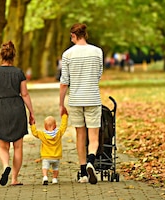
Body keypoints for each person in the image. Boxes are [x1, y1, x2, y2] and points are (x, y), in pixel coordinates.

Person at [59, 23, 103, 184]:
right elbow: (99, 74)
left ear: (74, 35)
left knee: (80, 135)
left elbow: (64, 82)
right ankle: (92, 161)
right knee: (94, 136)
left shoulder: (68, 55)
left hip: (76, 100)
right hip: (92, 98)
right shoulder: (97, 52)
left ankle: (84, 172)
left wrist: (61, 103)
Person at [0, 41, 35, 186]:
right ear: (13, 56)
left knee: (3, 146)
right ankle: (14, 179)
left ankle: (5, 166)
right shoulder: (19, 73)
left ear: (1, 55)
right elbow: (25, 94)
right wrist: (31, 112)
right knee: (18, 147)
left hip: (1, 107)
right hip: (17, 107)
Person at [30, 111, 68, 185]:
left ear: (45, 126)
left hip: (46, 156)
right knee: (55, 168)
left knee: (45, 167)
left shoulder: (42, 134)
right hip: (56, 156)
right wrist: (64, 117)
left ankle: (45, 177)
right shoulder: (59, 133)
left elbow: (35, 133)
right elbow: (64, 126)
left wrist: (32, 124)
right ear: (55, 126)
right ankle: (54, 179)